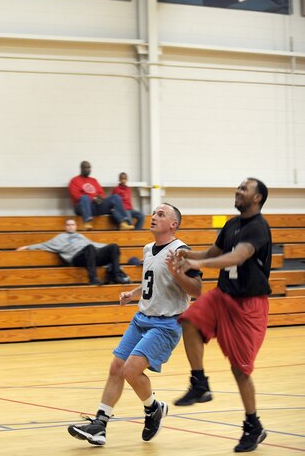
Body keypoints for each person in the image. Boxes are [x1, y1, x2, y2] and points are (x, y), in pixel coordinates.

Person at [67, 203, 202, 446]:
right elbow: (153, 282)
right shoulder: (148, 248)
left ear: (173, 224)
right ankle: (100, 424)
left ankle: (153, 410)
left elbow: (197, 291)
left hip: (166, 324)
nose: (153, 217)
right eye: (153, 213)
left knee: (130, 370)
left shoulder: (182, 252)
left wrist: (177, 273)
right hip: (142, 318)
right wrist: (133, 293)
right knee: (116, 367)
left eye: (161, 214)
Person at [170, 178, 271, 453]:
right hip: (223, 296)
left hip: (249, 306)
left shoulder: (259, 228)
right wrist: (186, 253)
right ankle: (199, 383)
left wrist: (198, 263)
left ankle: (253, 425)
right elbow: (214, 252)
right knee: (188, 320)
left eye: (244, 189)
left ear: (258, 197)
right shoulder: (231, 224)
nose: (238, 191)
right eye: (238, 187)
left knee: (240, 370)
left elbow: (237, 257)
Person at [17, 219, 130, 285]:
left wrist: (112, 252)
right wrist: (27, 247)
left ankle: (115, 276)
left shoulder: (81, 236)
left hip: (91, 255)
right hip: (77, 258)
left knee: (114, 246)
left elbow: (96, 244)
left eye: (72, 224)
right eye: (68, 225)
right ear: (65, 227)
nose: (70, 226)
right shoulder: (60, 237)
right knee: (89, 247)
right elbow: (44, 245)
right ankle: (93, 278)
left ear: (75, 226)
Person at [69, 161, 134, 231]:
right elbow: (76, 197)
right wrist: (93, 198)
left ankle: (123, 223)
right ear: (81, 168)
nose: (88, 170)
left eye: (89, 168)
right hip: (82, 207)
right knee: (84, 197)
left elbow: (102, 194)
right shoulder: (74, 180)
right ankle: (87, 223)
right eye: (86, 168)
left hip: (96, 206)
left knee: (116, 197)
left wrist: (99, 198)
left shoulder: (93, 180)